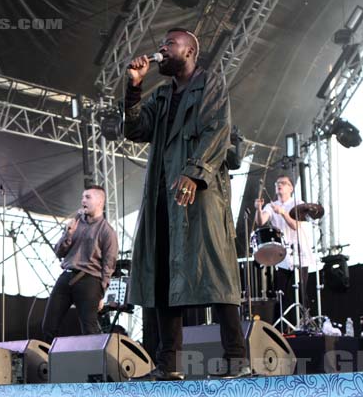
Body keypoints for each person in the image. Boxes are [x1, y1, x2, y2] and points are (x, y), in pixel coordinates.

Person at [124, 28, 248, 380]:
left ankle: (237, 359)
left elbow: (217, 131)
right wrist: (134, 87)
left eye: (170, 44)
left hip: (203, 193)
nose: (162, 48)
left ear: (190, 51)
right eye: (162, 44)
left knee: (216, 270)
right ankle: (169, 364)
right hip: (163, 193)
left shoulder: (210, 84)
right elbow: (135, 130)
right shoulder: (161, 96)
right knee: (163, 272)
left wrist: (194, 173)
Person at [41, 185, 118, 344]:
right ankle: (54, 363)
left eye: (88, 197)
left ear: (100, 201)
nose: (83, 200)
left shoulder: (107, 231)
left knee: (89, 329)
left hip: (89, 281)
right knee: (48, 325)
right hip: (66, 276)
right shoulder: (74, 224)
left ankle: (96, 364)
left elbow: (108, 265)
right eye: (82, 197)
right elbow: (58, 252)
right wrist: (68, 234)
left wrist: (101, 292)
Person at [254, 175, 315, 318]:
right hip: (282, 256)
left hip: (299, 254)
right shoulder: (271, 205)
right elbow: (261, 221)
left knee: (300, 292)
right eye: (277, 183)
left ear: (291, 188)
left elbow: (295, 225)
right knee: (282, 292)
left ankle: (305, 321)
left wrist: (283, 213)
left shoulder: (298, 203)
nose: (279, 185)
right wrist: (258, 209)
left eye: (283, 183)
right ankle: (284, 325)